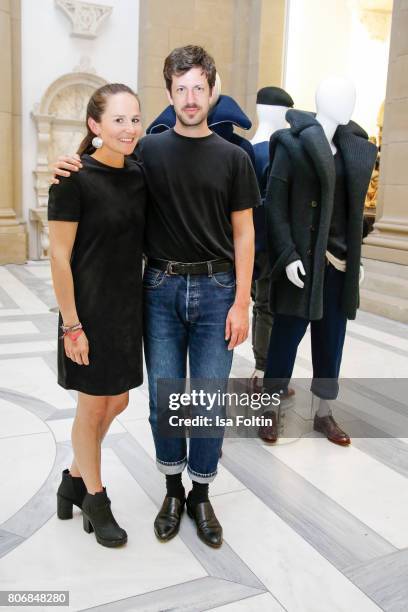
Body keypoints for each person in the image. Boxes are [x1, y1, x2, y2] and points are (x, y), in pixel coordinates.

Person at [53, 46, 260, 549]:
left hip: (215, 293)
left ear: (213, 91)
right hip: (158, 291)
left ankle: (200, 494)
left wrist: (242, 302)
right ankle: (169, 490)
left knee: (205, 403)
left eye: (199, 88)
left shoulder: (236, 158)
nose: (190, 98)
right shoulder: (147, 150)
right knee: (164, 402)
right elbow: (102, 168)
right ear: (170, 94)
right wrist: (71, 161)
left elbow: (245, 234)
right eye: (180, 88)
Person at [49, 83, 146, 547]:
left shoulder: (138, 175)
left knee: (119, 400)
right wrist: (72, 325)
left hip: (126, 310)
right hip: (85, 312)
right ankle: (95, 497)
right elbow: (59, 257)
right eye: (118, 120)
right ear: (95, 126)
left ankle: (71, 478)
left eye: (134, 119)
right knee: (91, 408)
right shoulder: (72, 179)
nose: (128, 129)